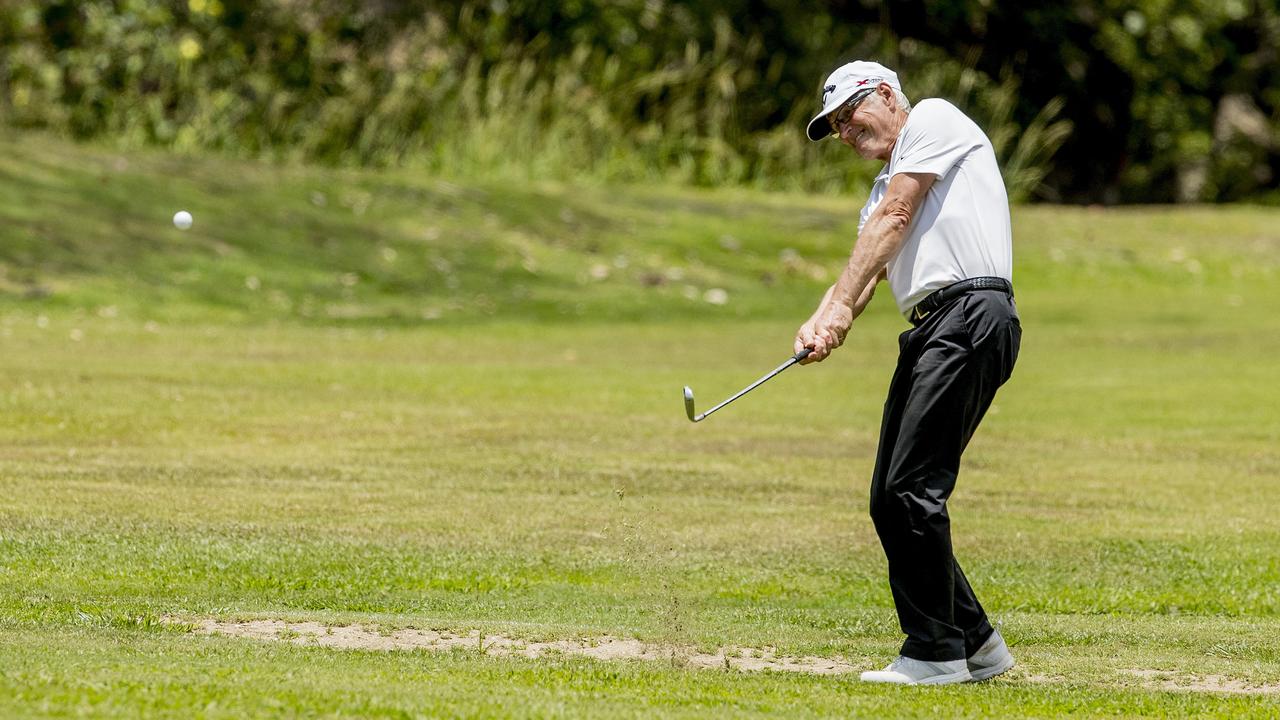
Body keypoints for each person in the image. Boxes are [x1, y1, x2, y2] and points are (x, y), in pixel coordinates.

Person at [795, 61, 1022, 685]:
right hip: (932, 328)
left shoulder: (934, 120)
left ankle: (934, 653)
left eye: (850, 114)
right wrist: (822, 319)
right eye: (835, 125)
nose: (845, 131)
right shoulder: (877, 192)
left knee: (912, 489)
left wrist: (839, 307)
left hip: (971, 314)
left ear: (888, 96)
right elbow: (867, 268)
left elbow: (899, 215)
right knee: (889, 499)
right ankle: (977, 643)